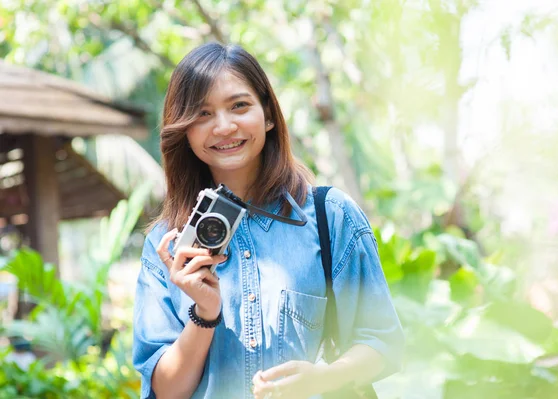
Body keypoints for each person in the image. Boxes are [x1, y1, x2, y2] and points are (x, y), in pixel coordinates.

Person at [132, 42, 403, 399]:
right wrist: (204, 313)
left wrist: (324, 379)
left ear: (269, 114)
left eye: (239, 106)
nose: (224, 126)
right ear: (183, 129)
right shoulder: (167, 245)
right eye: (202, 114)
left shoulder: (330, 216)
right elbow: (167, 391)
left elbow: (383, 343)